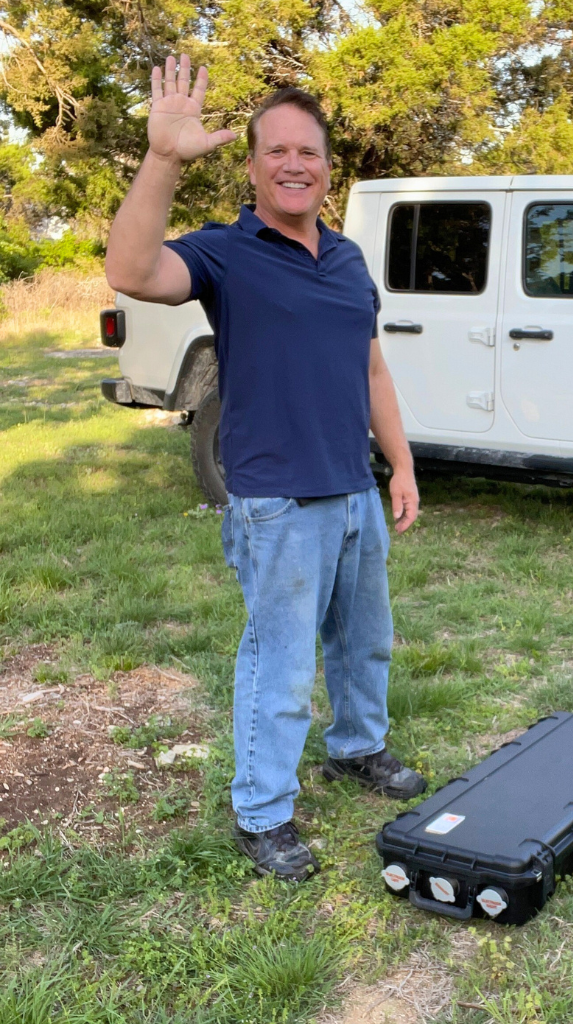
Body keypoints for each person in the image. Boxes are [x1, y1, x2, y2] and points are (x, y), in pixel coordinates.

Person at [106, 55, 426, 883]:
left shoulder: (348, 259)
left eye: (308, 151)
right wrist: (163, 158)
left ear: (328, 168)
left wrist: (399, 464)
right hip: (277, 501)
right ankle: (263, 813)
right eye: (275, 150)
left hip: (353, 488)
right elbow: (131, 272)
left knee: (365, 642)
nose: (293, 163)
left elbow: (371, 369)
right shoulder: (225, 253)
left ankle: (357, 748)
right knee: (280, 664)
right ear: (250, 168)